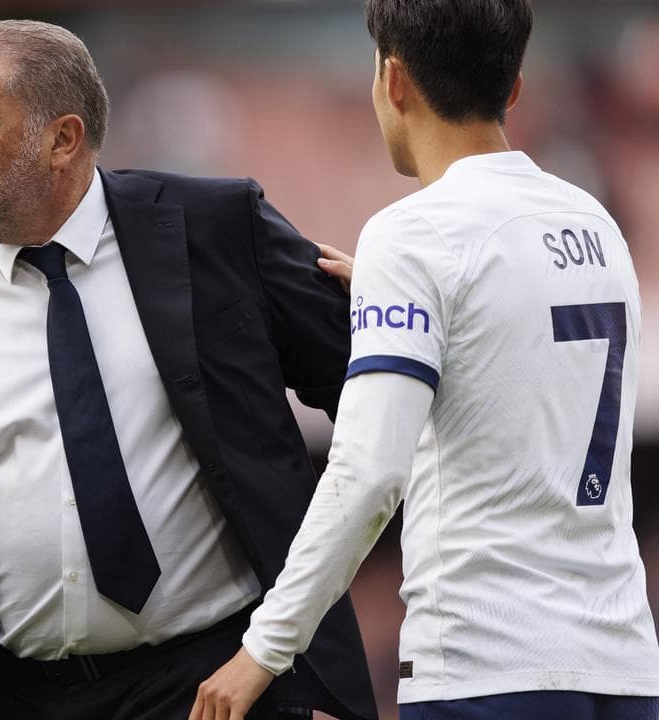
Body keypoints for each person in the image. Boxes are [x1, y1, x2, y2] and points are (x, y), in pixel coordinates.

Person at [0, 19, 376, 720]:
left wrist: (405, 314)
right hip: (29, 697)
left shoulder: (218, 229)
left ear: (63, 139)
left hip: (217, 679)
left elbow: (371, 389)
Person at [196, 1, 659, 719]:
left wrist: (265, 649)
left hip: (487, 666)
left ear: (394, 79)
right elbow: (516, 344)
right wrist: (401, 302)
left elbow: (370, 470)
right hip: (623, 667)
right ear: (514, 88)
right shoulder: (593, 219)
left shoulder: (413, 236)